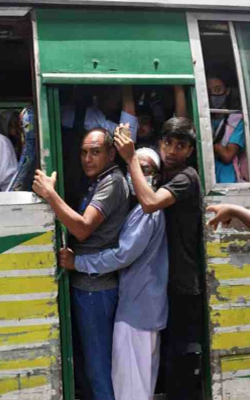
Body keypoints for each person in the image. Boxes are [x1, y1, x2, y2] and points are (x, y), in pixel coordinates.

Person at [59, 148, 168, 399]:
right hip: (139, 309)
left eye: (146, 169)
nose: (139, 174)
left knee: (130, 388)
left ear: (157, 177)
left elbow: (122, 255)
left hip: (138, 313)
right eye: (136, 167)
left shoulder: (146, 212)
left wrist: (79, 263)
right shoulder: (138, 209)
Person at [33, 127, 130, 400]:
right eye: (84, 152)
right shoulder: (99, 180)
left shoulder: (112, 182)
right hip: (87, 286)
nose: (88, 158)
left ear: (111, 153)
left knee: (99, 368)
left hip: (96, 289)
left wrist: (49, 195)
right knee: (91, 366)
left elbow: (83, 228)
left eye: (96, 152)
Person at [113, 117, 203, 400]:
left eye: (181, 145)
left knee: (182, 363)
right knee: (165, 362)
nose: (173, 150)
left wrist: (129, 160)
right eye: (168, 143)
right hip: (166, 284)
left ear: (190, 151)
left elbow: (150, 203)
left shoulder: (186, 177)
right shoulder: (166, 175)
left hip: (183, 285)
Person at [207, 73, 247, 183]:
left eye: (217, 90)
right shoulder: (203, 118)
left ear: (227, 91)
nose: (212, 96)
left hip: (227, 180)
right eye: (208, 91)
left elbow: (227, 155)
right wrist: (219, 147)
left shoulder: (236, 119)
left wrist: (208, 142)